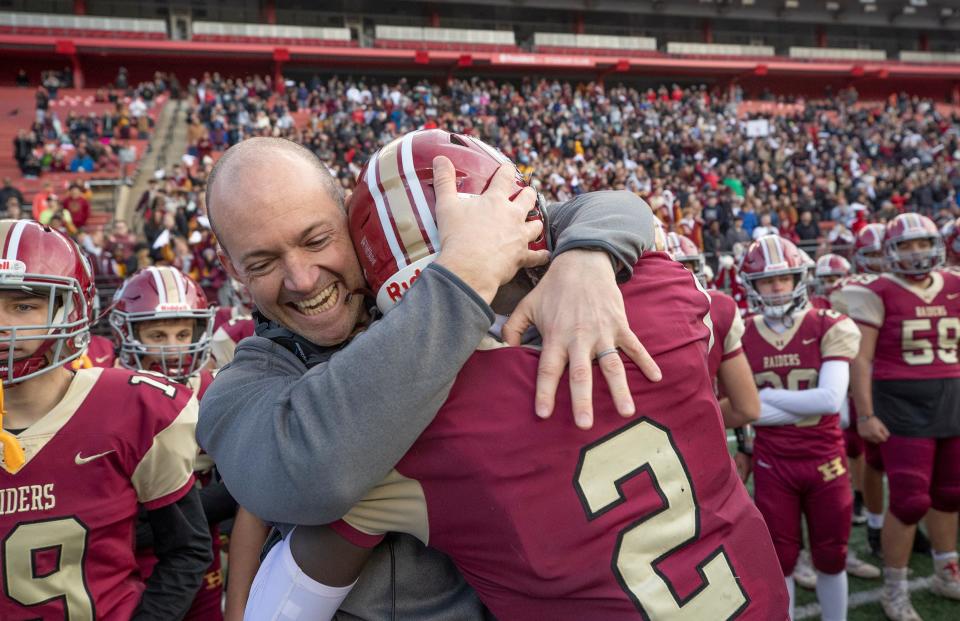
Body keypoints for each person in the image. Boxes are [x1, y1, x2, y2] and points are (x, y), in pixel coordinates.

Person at [242, 134, 788, 619]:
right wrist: (590, 254)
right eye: (263, 262)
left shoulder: (419, 433)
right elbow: (623, 217)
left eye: (316, 241)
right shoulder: (664, 291)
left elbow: (286, 597)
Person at [0, 219, 212, 619]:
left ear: (69, 309)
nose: (3, 324)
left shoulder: (133, 407)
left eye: (24, 305)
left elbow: (186, 550)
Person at [841, 213, 960, 621]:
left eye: (922, 243)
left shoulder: (955, 283)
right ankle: (895, 587)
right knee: (910, 501)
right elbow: (862, 359)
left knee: (950, 494)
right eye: (906, 245)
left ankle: (946, 568)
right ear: (890, 251)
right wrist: (865, 413)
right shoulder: (877, 291)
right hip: (900, 405)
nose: (916, 252)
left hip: (952, 398)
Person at [738, 234, 862, 621]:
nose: (776, 288)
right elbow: (738, 410)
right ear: (751, 285)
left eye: (784, 279)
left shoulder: (829, 323)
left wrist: (762, 402)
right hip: (774, 463)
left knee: (831, 554)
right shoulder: (740, 331)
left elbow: (829, 401)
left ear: (799, 279)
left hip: (826, 461)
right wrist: (756, 407)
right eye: (766, 281)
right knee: (781, 556)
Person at [111, 265, 229, 621]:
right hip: (126, 559)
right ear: (127, 332)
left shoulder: (215, 390)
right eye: (158, 335)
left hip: (200, 553)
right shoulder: (107, 392)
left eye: (182, 333)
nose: (173, 349)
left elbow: (243, 487)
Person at [664, 232, 758, 430]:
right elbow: (746, 408)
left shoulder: (618, 313)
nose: (677, 274)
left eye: (684, 266)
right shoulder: (718, 308)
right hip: (703, 440)